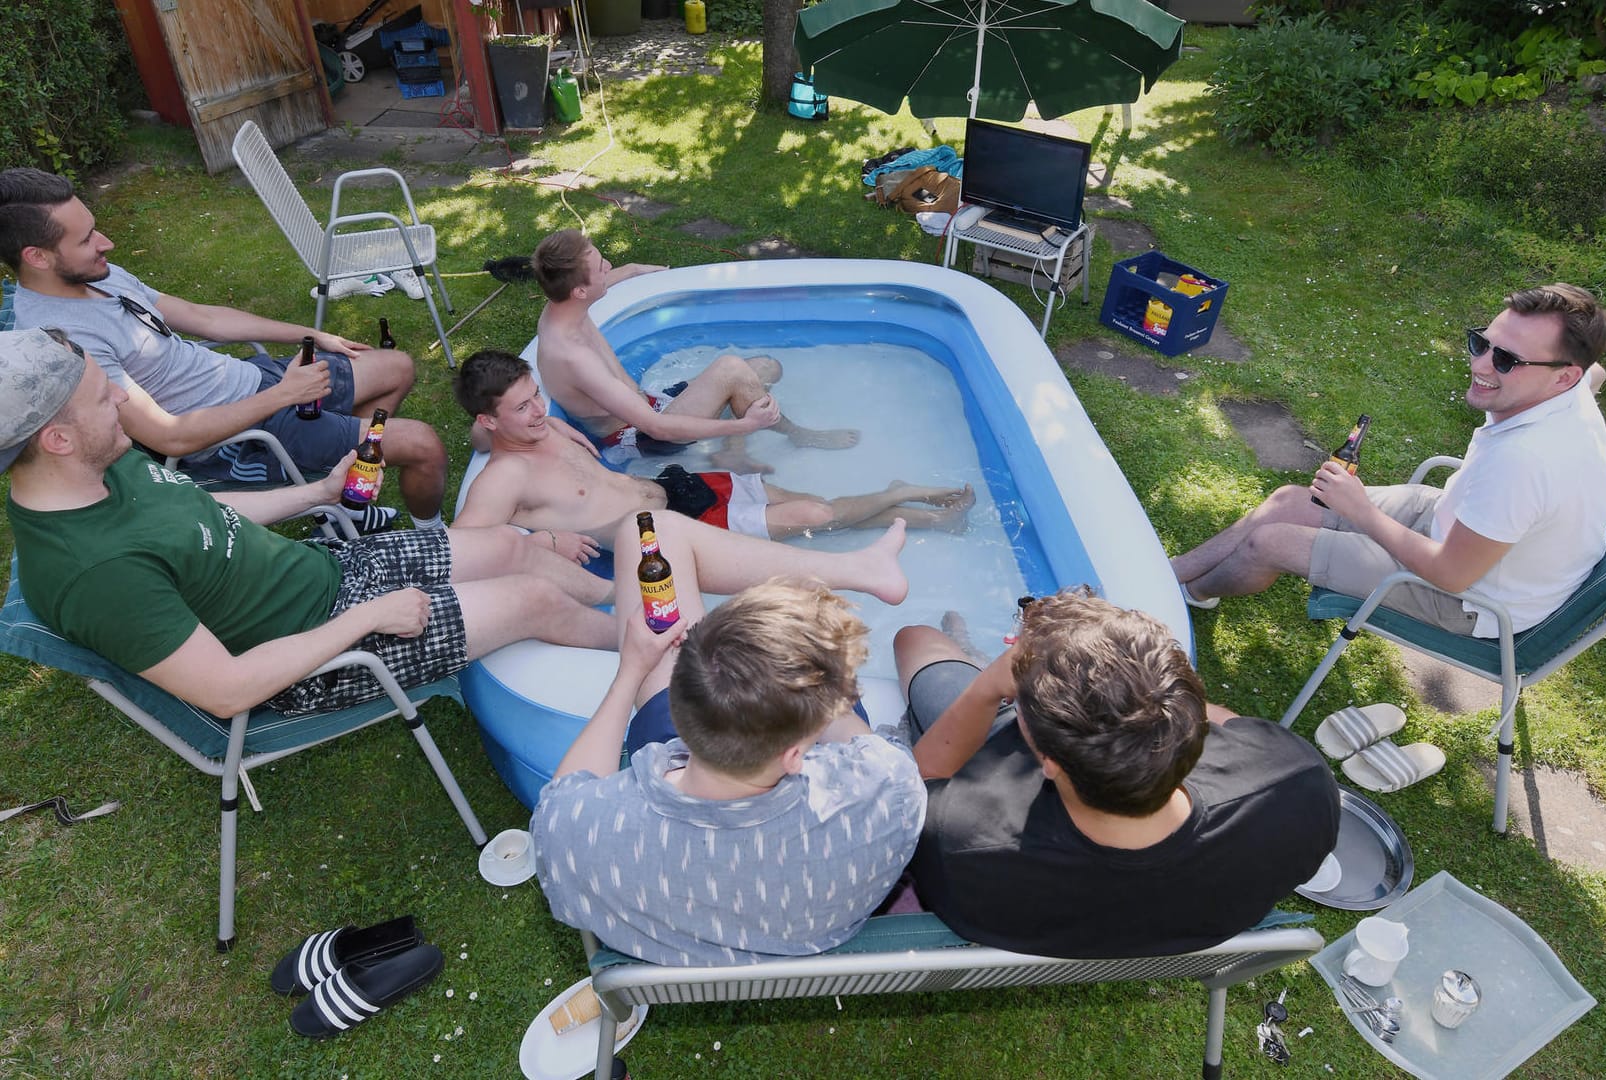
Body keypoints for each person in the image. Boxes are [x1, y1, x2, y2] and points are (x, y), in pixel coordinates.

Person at [0, 326, 622, 718]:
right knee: (534, 597)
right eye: (99, 396)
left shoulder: (101, 466)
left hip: (325, 574)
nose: (119, 397)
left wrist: (320, 492)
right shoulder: (95, 574)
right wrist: (371, 616)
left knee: (508, 547)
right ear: (55, 438)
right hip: (317, 653)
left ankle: (626, 602)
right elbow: (228, 690)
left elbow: (202, 515)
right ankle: (659, 646)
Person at [534, 511, 925, 965]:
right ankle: (860, 569)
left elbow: (563, 797)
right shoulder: (887, 795)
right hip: (809, 919)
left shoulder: (579, 835)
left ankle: (860, 569)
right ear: (797, 754)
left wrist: (630, 672)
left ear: (677, 707)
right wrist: (818, 679)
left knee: (650, 532)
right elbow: (871, 749)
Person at [894, 591, 1339, 958]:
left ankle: (970, 663)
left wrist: (989, 686)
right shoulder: (1297, 784)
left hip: (1003, 756)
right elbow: (1224, 722)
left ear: (1045, 759)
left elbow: (922, 780)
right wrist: (1126, 698)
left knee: (915, 641)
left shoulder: (961, 841)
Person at [0, 167, 450, 530]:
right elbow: (169, 436)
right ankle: (433, 539)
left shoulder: (95, 274)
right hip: (242, 432)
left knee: (396, 365)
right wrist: (285, 395)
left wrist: (310, 337)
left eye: (95, 230)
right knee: (424, 443)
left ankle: (346, 499)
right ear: (36, 257)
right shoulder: (65, 342)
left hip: (255, 380)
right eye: (85, 240)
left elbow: (203, 317)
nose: (106, 244)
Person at [1173, 284, 1606, 638]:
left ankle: (1178, 599)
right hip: (1460, 523)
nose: (1481, 364)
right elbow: (1598, 374)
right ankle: (1170, 572)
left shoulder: (1525, 463)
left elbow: (1450, 574)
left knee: (1267, 544)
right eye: (1481, 343)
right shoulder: (1572, 383)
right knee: (1289, 502)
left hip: (1473, 597)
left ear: (1562, 377)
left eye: (1506, 359)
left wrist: (1360, 512)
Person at [452, 349, 974, 551]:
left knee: (822, 511)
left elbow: (500, 437)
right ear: (489, 418)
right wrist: (546, 542)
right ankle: (897, 495)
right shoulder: (502, 479)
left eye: (536, 395)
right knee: (816, 513)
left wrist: (533, 426)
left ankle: (926, 517)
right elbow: (459, 551)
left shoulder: (546, 431)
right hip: (678, 532)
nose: (540, 411)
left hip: (678, 486)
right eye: (522, 408)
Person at [531, 228, 857, 473]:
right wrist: (742, 425)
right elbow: (655, 427)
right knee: (731, 369)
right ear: (580, 290)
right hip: (639, 436)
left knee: (766, 368)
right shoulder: (572, 357)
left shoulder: (562, 307)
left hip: (652, 404)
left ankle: (732, 451)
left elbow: (591, 285)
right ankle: (797, 435)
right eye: (603, 267)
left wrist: (630, 270)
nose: (610, 266)